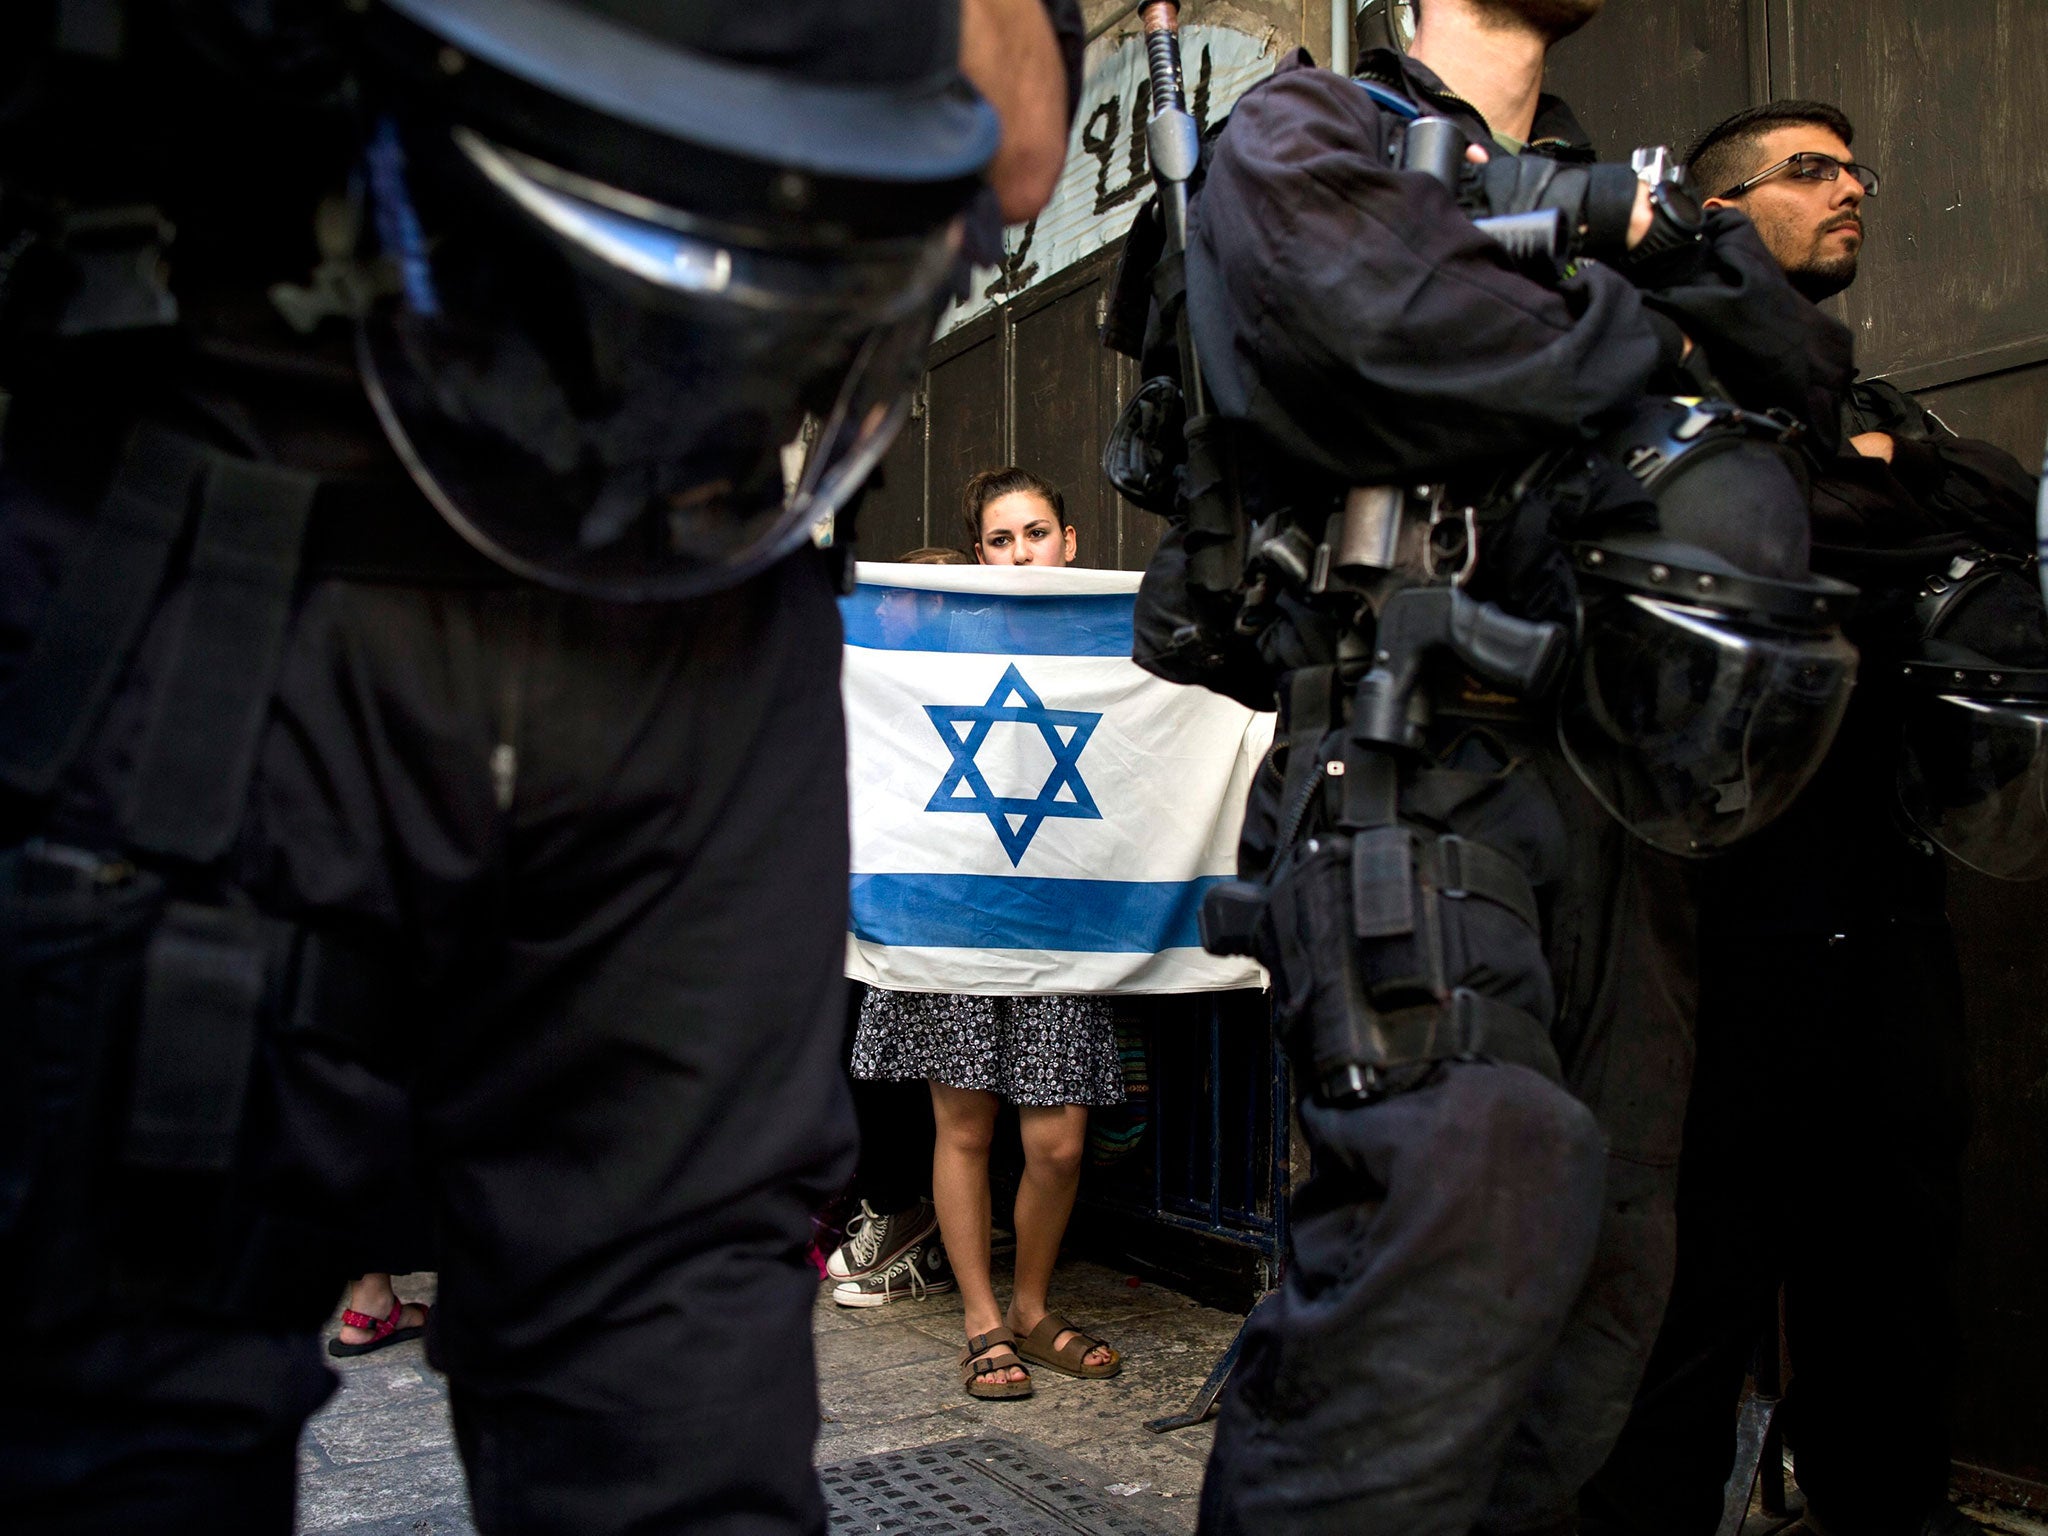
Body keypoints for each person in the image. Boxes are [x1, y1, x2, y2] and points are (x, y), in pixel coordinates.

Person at [0, 5, 1075, 1534]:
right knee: (113, 1410)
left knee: (674, 1436)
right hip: (229, 557)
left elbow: (1013, 145)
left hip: (673, 608)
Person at [1110, 1, 1862, 1531]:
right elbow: (1380, 326)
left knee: (1605, 1295)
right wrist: (1645, 316)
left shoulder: (1616, 190)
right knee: (1472, 1200)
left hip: (1621, 811)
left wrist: (1592, 276)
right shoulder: (1310, 131)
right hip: (1412, 760)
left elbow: (1802, 364)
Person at [1582, 101, 2042, 1536]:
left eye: (1856, 170)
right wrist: (1862, 494)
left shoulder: (1881, 412)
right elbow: (1788, 525)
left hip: (1889, 911)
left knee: (1895, 1267)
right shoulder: (1652, 406)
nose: (1853, 191)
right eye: (1810, 172)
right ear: (1721, 215)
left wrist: (1884, 478)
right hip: (1714, 927)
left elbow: (1999, 510)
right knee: (1691, 1288)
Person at [848, 467, 1124, 1395]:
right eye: (1001, 541)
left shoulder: (1109, 643)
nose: (1021, 554)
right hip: (954, 916)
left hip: (1057, 920)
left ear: (1070, 539)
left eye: (1036, 533)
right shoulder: (941, 646)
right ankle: (981, 1319)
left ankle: (1033, 1307)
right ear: (979, 556)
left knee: (1057, 1142)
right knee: (963, 1125)